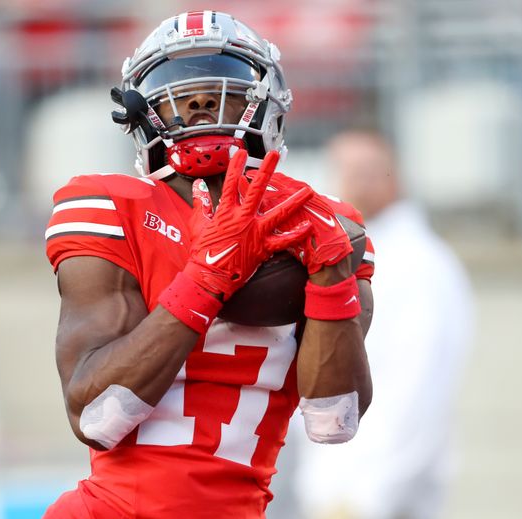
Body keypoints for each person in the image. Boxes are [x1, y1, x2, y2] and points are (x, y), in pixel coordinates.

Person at [44, 12, 376, 518]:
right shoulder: (109, 207)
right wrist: (206, 278)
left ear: (268, 102)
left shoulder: (324, 223)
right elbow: (96, 418)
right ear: (141, 112)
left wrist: (331, 271)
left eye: (225, 84)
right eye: (177, 89)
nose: (200, 101)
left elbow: (335, 421)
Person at [292, 129, 473, 519]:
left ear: (395, 176)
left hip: (378, 499)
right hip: (334, 491)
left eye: (367, 170)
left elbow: (418, 390)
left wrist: (366, 498)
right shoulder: (342, 256)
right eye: (343, 169)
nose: (353, 181)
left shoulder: (420, 264)